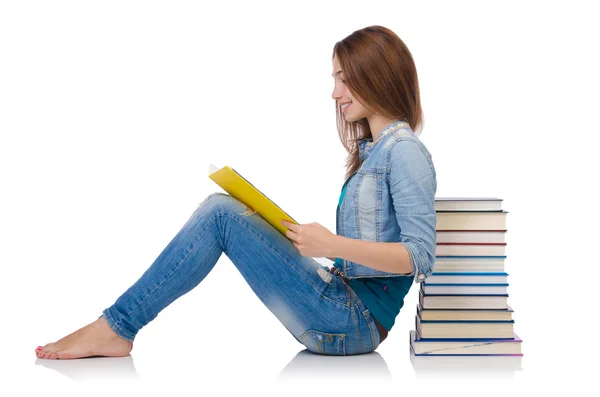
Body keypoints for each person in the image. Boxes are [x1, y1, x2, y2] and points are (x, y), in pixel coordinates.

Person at [35, 25, 437, 359]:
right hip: (340, 301)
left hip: (352, 322)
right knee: (228, 208)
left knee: (220, 213)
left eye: (344, 79)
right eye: (335, 80)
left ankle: (115, 327)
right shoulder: (376, 153)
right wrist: (311, 241)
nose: (335, 93)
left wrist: (332, 244)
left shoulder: (404, 152)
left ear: (376, 75)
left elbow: (419, 256)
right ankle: (115, 327)